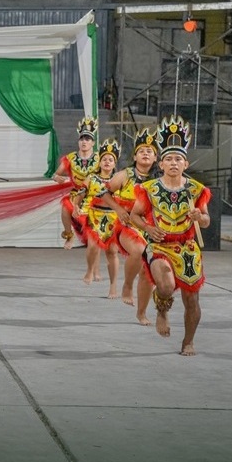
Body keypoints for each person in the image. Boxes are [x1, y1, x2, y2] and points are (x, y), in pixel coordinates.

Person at [130, 115, 211, 356]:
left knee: (192, 300)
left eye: (178, 159)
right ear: (161, 164)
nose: (173, 163)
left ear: (185, 164)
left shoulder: (196, 190)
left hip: (187, 248)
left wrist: (200, 217)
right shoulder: (149, 189)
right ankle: (162, 311)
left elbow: (207, 221)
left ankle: (188, 341)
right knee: (165, 285)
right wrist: (148, 229)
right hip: (160, 246)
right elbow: (134, 216)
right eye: (168, 159)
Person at [98, 127, 159, 324]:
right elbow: (103, 193)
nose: (145, 153)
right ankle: (127, 285)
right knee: (139, 250)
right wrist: (117, 209)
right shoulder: (124, 175)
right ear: (134, 156)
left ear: (156, 158)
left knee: (148, 271)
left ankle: (141, 312)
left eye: (150, 151)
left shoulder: (160, 179)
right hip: (127, 225)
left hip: (152, 228)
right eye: (142, 151)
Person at [74, 139, 120, 297]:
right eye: (104, 159)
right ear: (99, 162)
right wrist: (76, 206)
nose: (107, 162)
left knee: (112, 252)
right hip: (94, 216)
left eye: (110, 160)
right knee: (93, 247)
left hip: (113, 218)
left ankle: (113, 286)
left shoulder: (119, 180)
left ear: (114, 164)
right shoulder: (92, 178)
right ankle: (89, 270)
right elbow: (80, 194)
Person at [52, 116, 100, 249]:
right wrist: (56, 177)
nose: (84, 142)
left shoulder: (100, 158)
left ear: (93, 143)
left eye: (87, 139)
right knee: (65, 207)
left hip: (94, 194)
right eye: (82, 139)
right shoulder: (71, 158)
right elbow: (56, 174)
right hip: (76, 193)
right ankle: (69, 235)